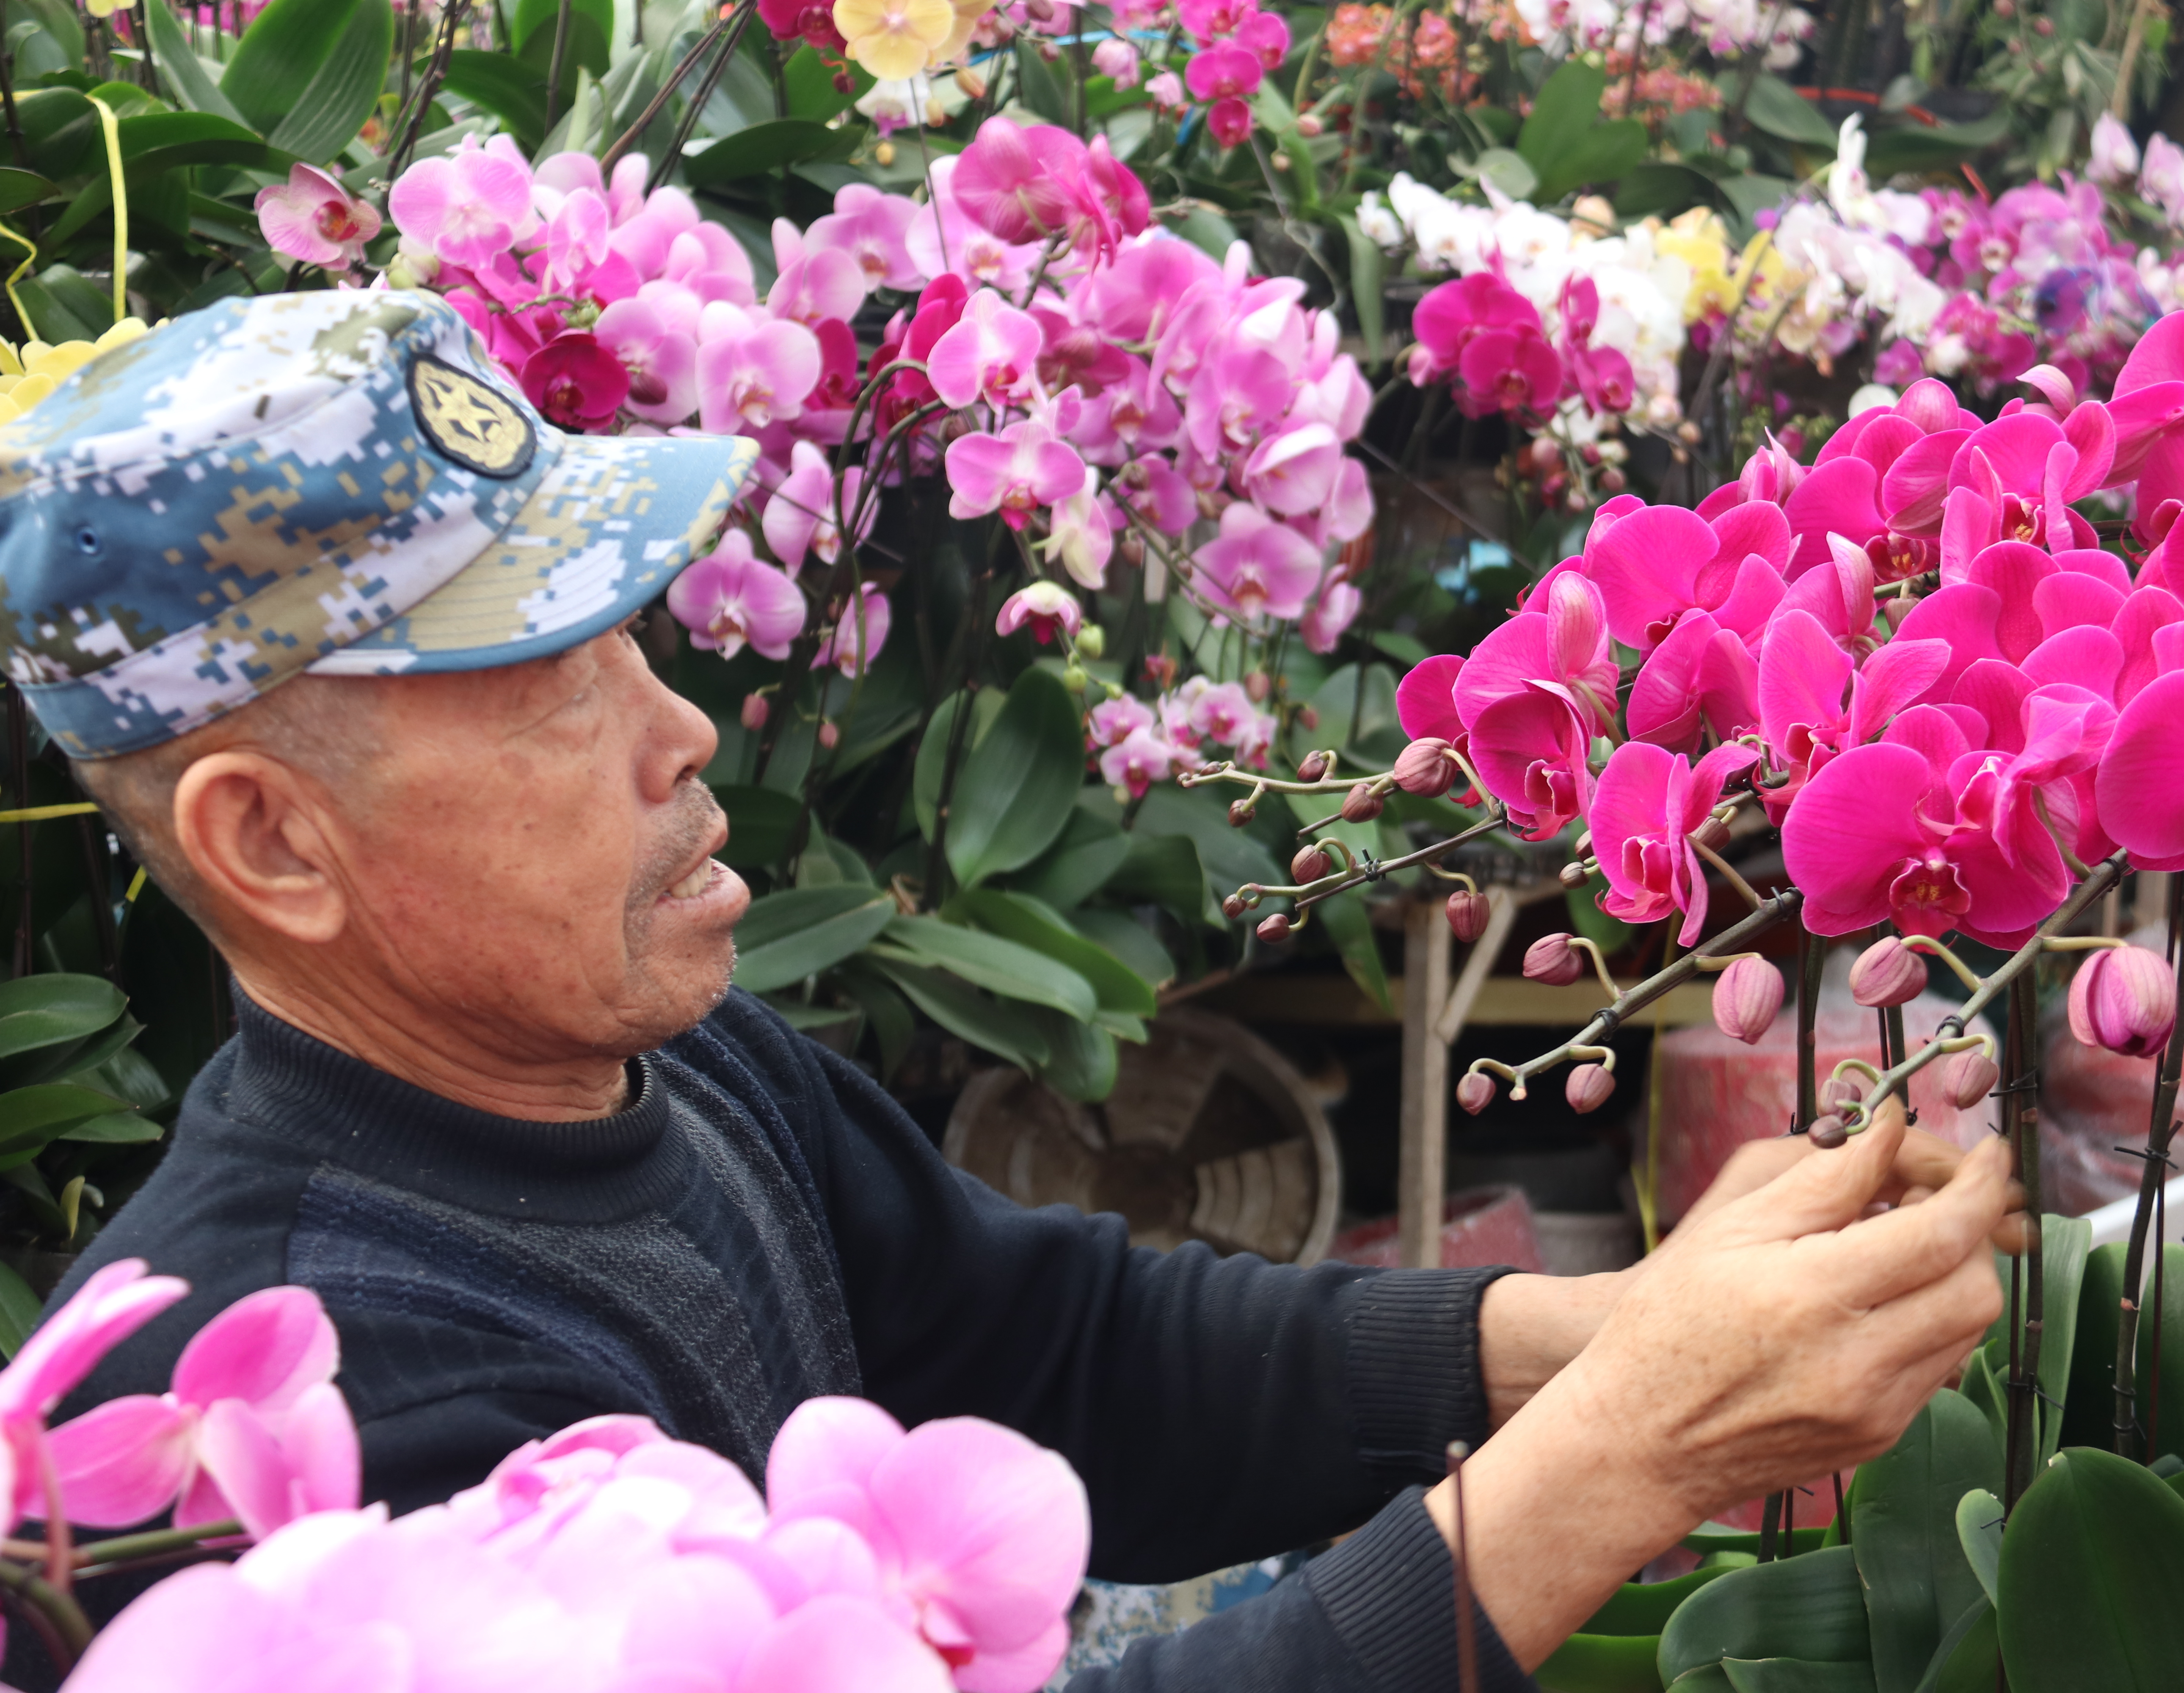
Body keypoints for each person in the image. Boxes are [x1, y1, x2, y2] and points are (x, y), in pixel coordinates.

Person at [0, 290, 2014, 1691]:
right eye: (552, 688)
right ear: (271, 843)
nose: (682, 728)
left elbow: (1050, 1350)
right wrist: (1619, 1463)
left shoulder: (654, 1059)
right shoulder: (285, 1438)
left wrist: (1605, 1334)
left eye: (641, 635)